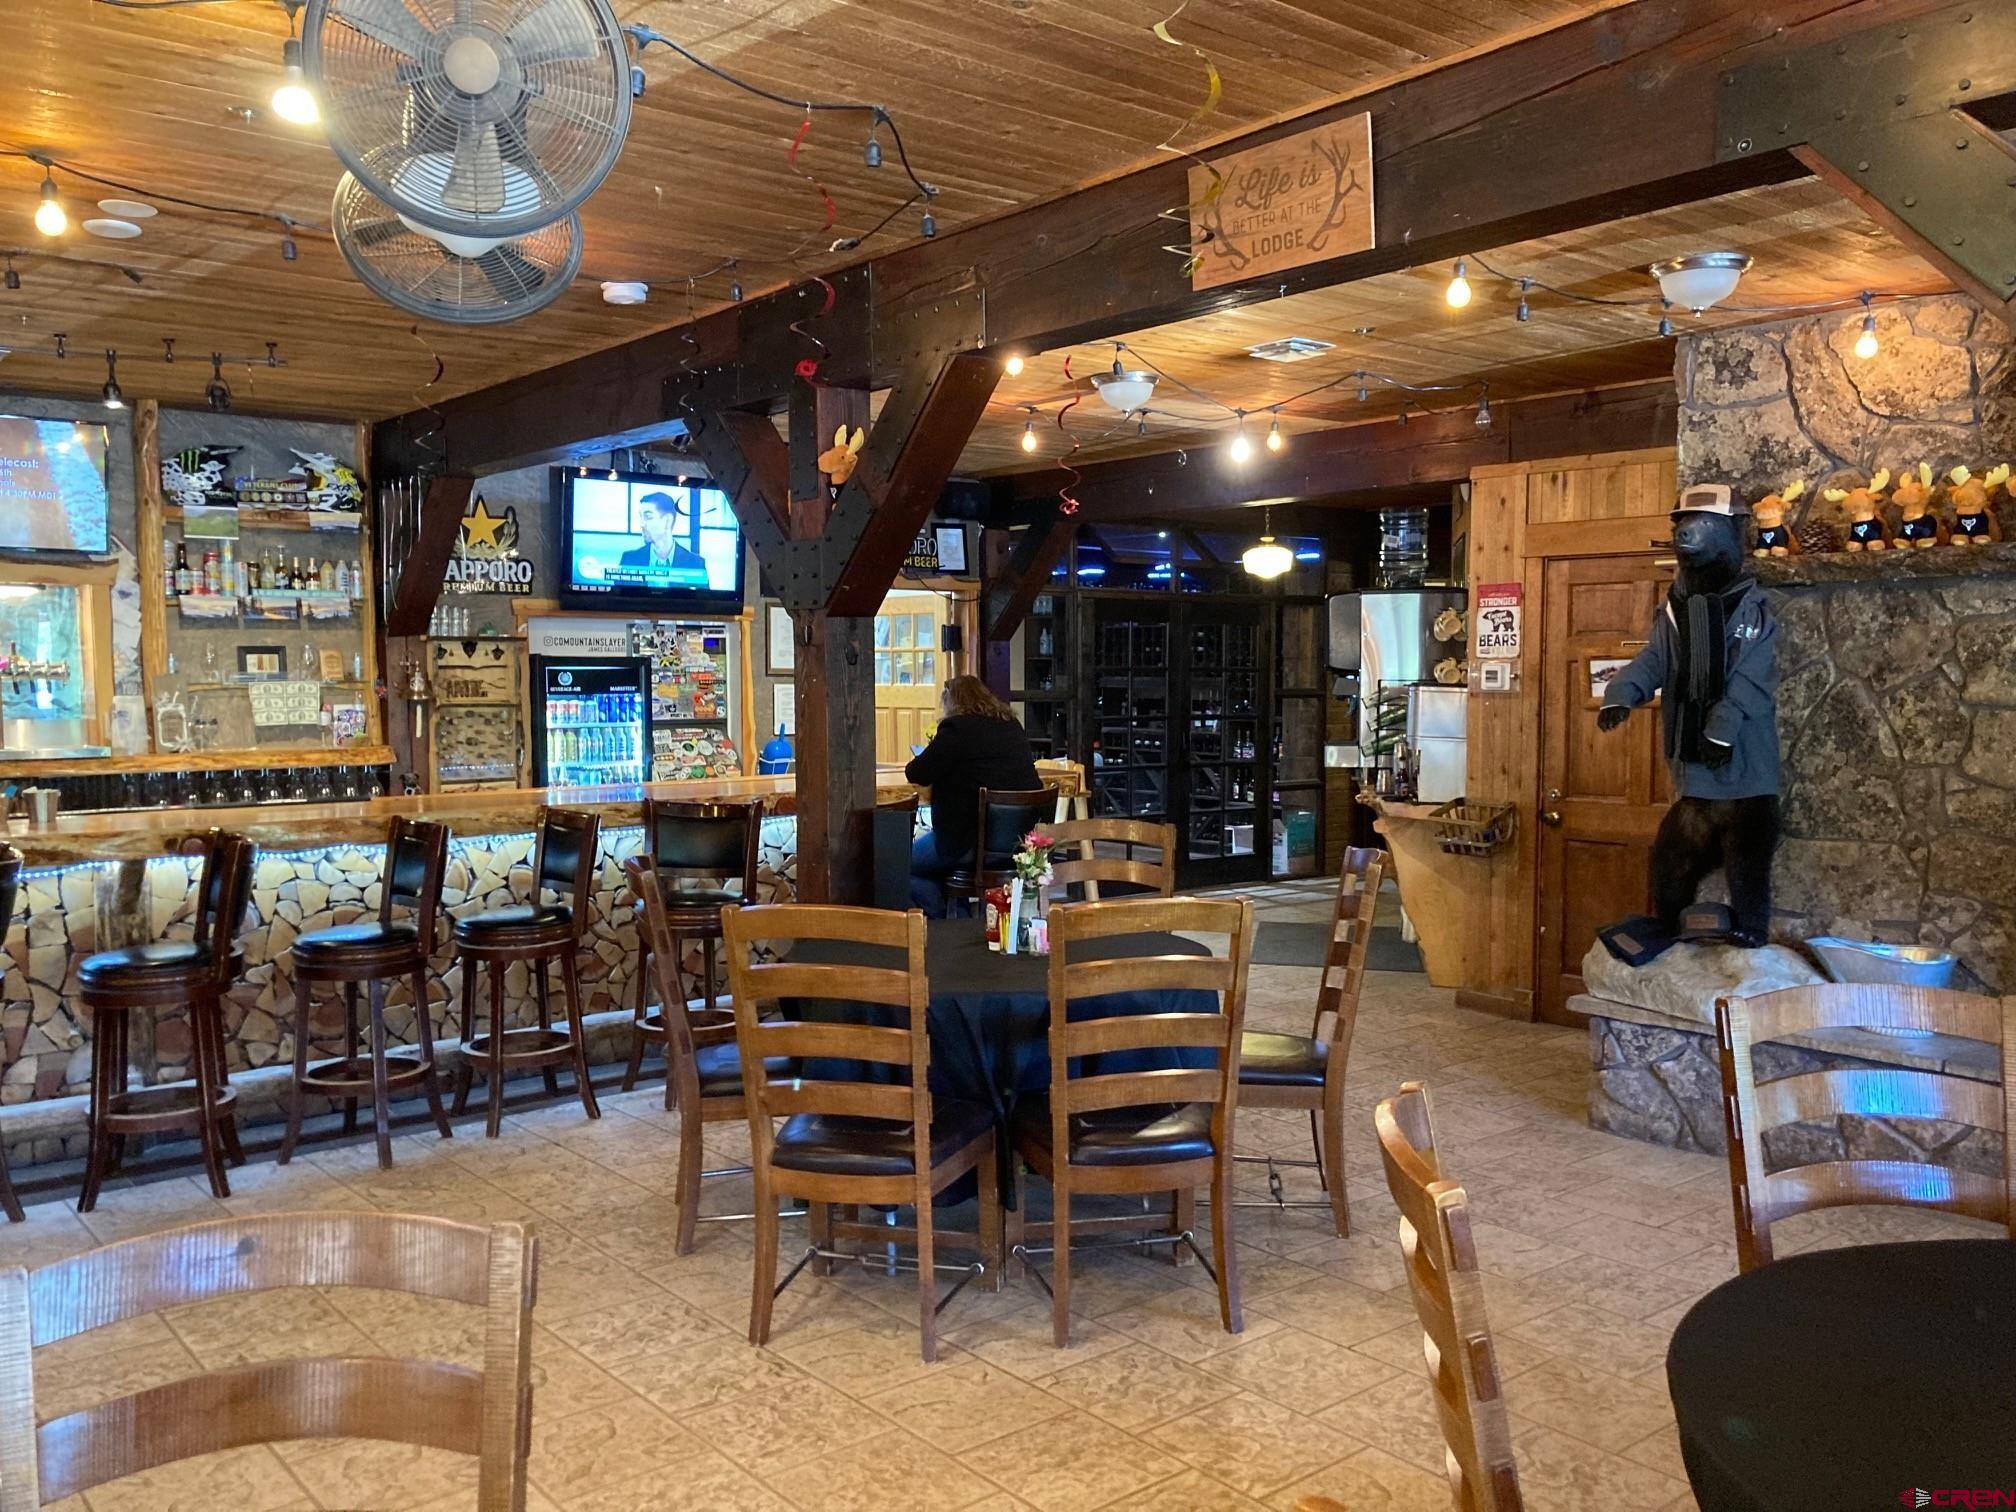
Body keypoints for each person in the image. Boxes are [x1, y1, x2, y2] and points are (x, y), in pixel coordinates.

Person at [905, 675, 1041, 917]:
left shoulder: (956, 729)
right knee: (937, 864)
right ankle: (960, 920)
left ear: (952, 702)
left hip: (966, 845)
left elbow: (917, 772)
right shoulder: (1011, 726)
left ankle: (939, 924)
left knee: (902, 863)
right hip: (1015, 845)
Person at [619, 490, 707, 578]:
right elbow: (619, 591)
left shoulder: (695, 563)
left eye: (648, 517)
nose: (641, 524)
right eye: (641, 517)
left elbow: (701, 592)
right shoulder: (629, 559)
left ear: (668, 520)